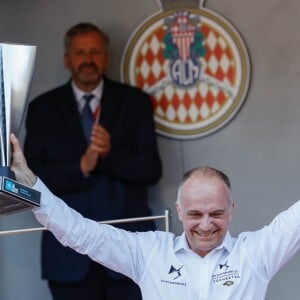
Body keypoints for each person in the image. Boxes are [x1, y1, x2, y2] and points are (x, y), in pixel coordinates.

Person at [11, 134, 300, 300]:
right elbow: (81, 234)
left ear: (232, 210)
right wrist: (32, 186)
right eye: (195, 214)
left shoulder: (255, 253)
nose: (205, 224)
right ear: (178, 211)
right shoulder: (150, 252)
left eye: (216, 213)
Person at [23, 22, 162, 300]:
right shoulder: (42, 108)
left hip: (128, 252)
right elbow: (30, 180)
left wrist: (111, 153)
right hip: (67, 256)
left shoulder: (135, 102)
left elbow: (151, 170)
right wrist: (80, 167)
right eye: (80, 52)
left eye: (95, 51)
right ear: (67, 59)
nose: (88, 59)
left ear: (106, 57)